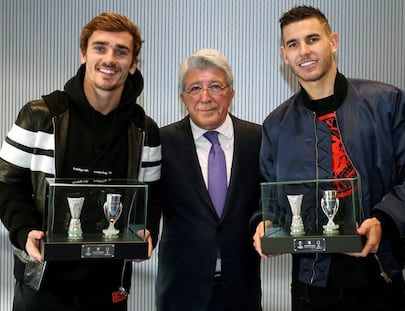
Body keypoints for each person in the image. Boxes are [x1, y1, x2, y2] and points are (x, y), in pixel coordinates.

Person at [252, 5, 405, 311]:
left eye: (312, 39)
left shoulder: (387, 103)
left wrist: (385, 221)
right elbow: (267, 194)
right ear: (284, 55)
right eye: (293, 44)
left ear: (334, 42)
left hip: (378, 281)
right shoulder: (276, 126)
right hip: (310, 285)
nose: (304, 51)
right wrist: (265, 223)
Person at [0, 12, 161, 311]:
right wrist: (24, 231)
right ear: (83, 54)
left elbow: (152, 198)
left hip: (109, 287)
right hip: (42, 283)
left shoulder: (144, 131)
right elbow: (5, 185)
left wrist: (146, 231)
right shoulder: (39, 116)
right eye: (100, 47)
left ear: (133, 63)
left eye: (121, 51)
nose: (110, 59)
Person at [156, 48, 262, 311]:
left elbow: (266, 201)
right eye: (195, 88)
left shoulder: (258, 140)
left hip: (241, 290)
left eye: (215, 86)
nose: (205, 97)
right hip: (181, 292)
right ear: (183, 97)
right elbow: (147, 206)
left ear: (231, 93)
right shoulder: (161, 142)